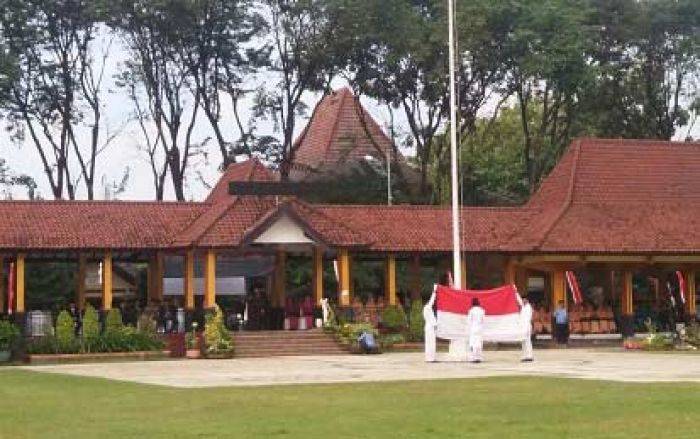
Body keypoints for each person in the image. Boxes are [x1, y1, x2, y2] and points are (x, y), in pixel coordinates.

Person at [466, 298, 485, 363]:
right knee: (479, 343)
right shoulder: (482, 310)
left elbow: (469, 321)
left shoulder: (471, 311)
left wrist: (468, 328)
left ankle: (473, 358)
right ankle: (478, 357)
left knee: (473, 343)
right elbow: (483, 320)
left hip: (473, 328)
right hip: (480, 328)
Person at [423, 293, 438, 362]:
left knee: (430, 343)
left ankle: (430, 358)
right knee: (430, 343)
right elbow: (431, 301)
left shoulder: (427, 309)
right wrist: (434, 292)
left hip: (430, 327)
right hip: (430, 328)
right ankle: (430, 358)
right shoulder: (427, 308)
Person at [520, 297, 534, 362]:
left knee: (528, 341)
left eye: (524, 299)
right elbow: (518, 300)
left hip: (527, 326)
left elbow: (527, 319)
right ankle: (524, 355)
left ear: (527, 300)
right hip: (522, 326)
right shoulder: (523, 307)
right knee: (523, 342)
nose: (523, 300)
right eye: (522, 299)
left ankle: (529, 356)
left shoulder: (528, 307)